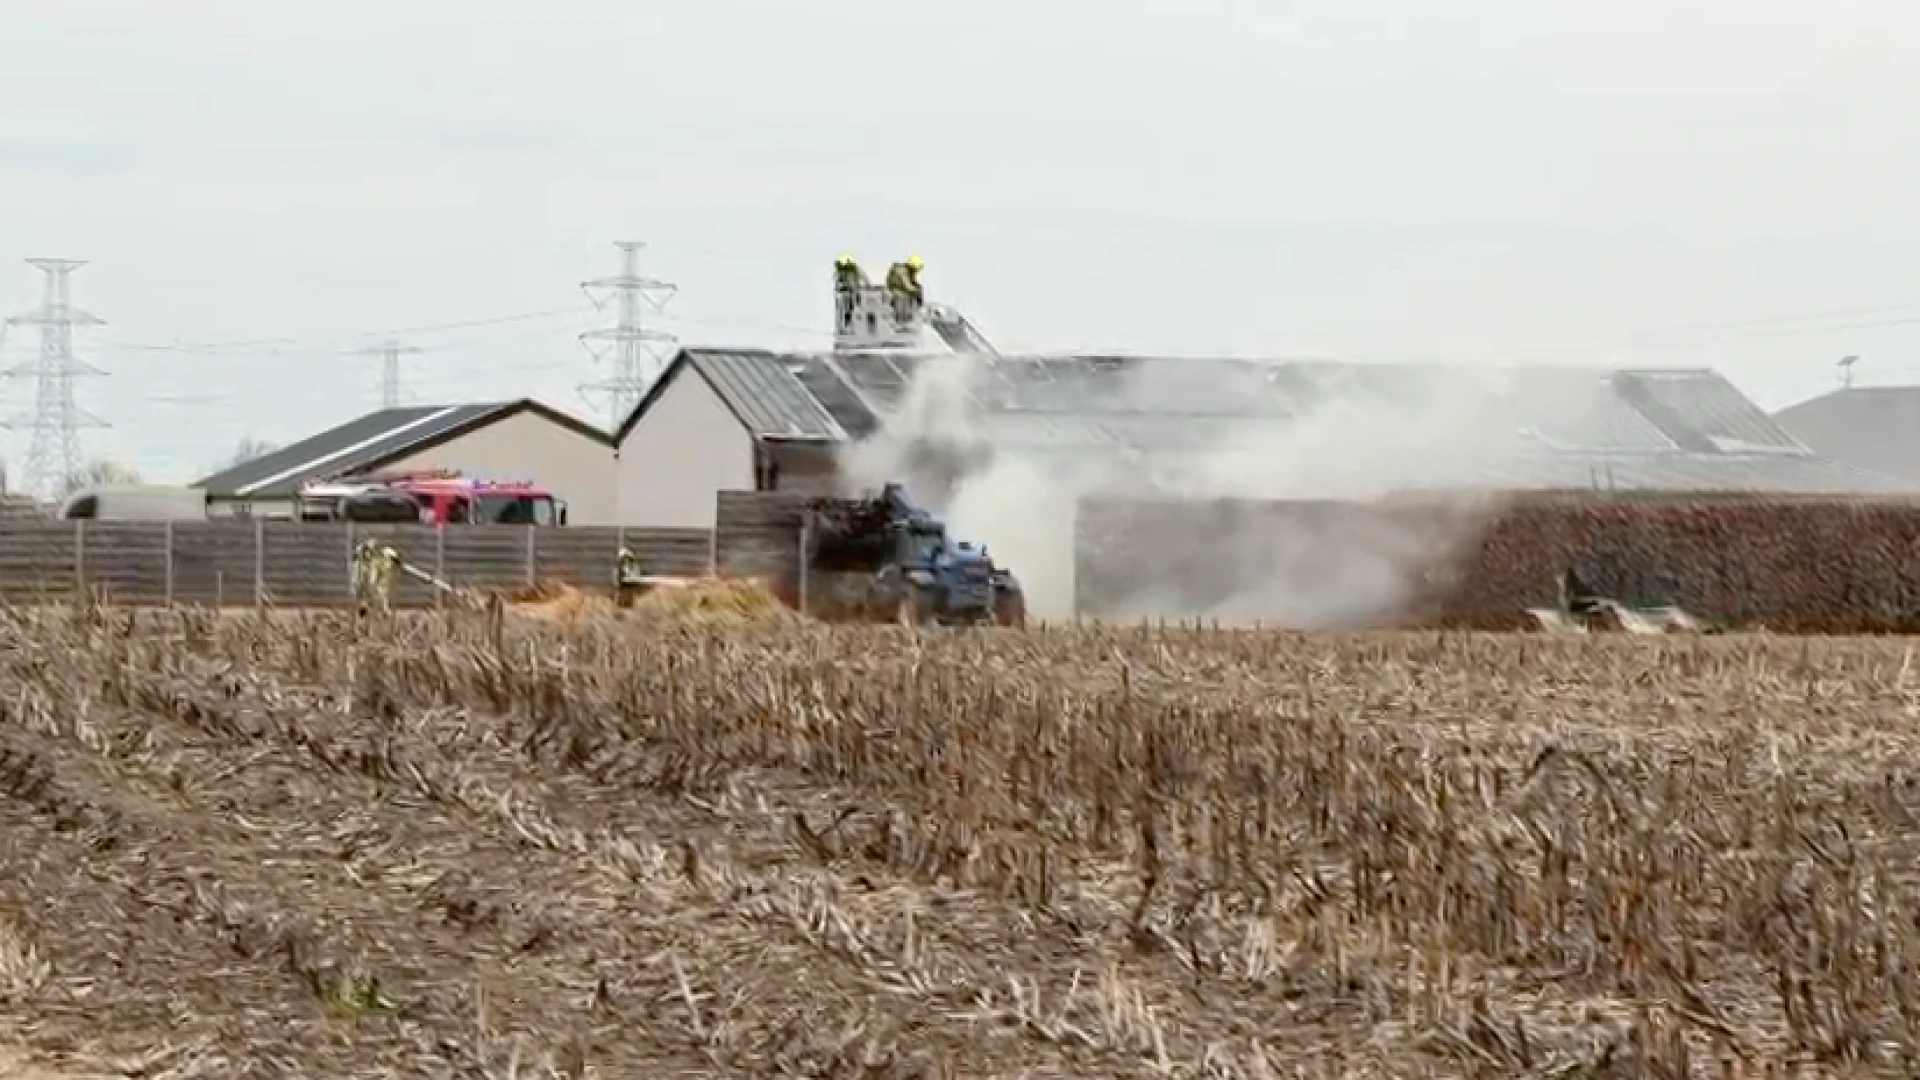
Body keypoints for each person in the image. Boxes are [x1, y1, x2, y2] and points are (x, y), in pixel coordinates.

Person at [353, 537, 401, 616]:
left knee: (379, 591)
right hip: (371, 574)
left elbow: (397, 561)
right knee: (373, 590)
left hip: (380, 575)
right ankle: (370, 607)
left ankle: (380, 609)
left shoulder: (385, 553)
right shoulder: (367, 555)